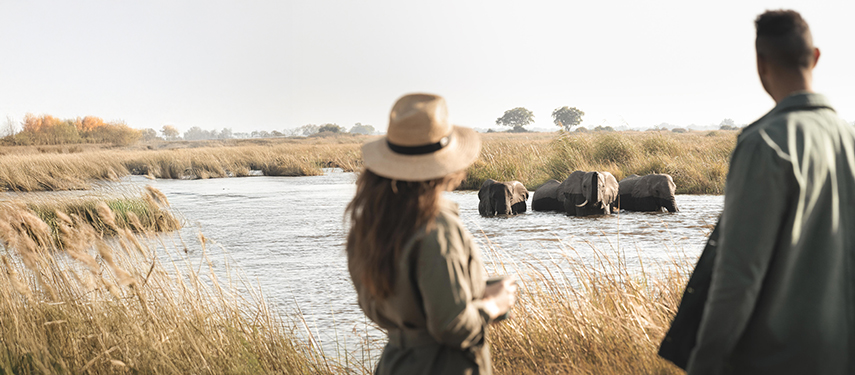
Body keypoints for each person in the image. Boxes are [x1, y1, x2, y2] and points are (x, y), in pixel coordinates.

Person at [683, 10, 855, 375]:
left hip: (774, 359)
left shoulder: (765, 144)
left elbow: (739, 276)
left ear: (761, 64)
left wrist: (705, 363)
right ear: (817, 56)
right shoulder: (848, 139)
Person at [346, 93, 517, 375]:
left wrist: (471, 290)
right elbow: (452, 326)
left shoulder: (370, 223)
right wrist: (492, 305)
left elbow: (393, 303)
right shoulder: (437, 226)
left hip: (395, 363)